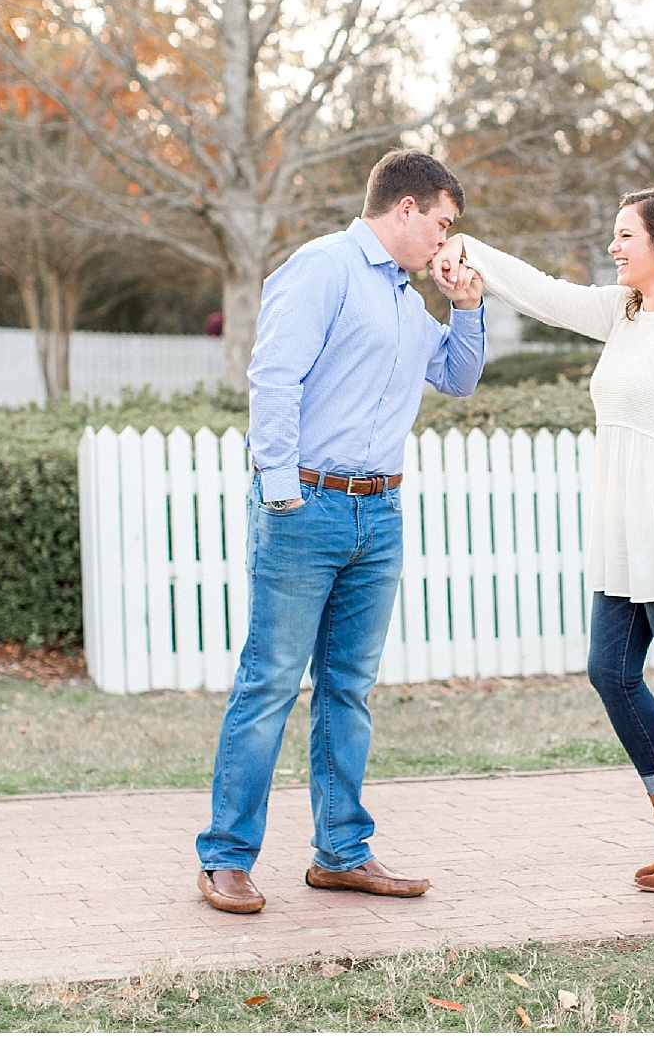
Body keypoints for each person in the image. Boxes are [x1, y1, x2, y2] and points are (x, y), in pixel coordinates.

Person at [196, 150, 485, 914]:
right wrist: (280, 490)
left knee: (348, 688)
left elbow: (458, 376)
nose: (446, 240)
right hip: (306, 507)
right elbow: (274, 376)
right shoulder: (321, 268)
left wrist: (466, 305)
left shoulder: (408, 303)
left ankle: (342, 853)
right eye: (443, 224)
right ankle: (225, 857)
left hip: (378, 514)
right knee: (270, 681)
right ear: (406, 209)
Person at [433, 187, 654, 893]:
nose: (613, 246)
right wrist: (469, 249)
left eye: (625, 234)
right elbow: (546, 294)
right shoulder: (625, 311)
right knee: (611, 671)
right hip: (624, 528)